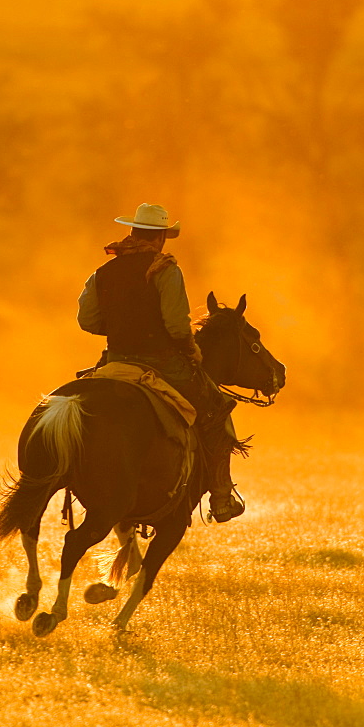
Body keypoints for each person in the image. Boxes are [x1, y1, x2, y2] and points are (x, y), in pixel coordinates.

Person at [77, 202, 245, 523]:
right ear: (161, 239)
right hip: (161, 362)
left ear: (133, 232)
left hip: (114, 359)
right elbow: (178, 327)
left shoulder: (102, 272)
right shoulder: (166, 269)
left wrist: (117, 328)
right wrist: (191, 349)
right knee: (217, 408)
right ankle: (221, 497)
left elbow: (87, 320)